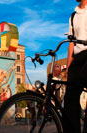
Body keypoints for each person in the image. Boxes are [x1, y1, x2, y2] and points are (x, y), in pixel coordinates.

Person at [63, 0, 87, 132]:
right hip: (78, 57)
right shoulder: (73, 16)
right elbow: (71, 43)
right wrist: (68, 67)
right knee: (70, 96)